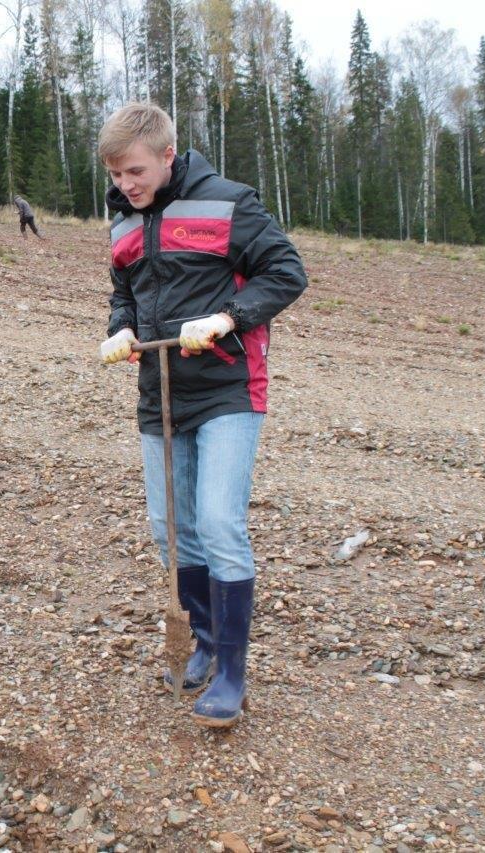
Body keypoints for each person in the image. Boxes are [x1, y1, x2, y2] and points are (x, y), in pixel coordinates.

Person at [96, 102, 306, 729]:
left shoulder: (228, 202)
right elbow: (125, 289)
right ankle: (205, 642)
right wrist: (121, 327)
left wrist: (227, 317)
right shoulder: (121, 221)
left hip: (226, 389)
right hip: (158, 392)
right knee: (171, 529)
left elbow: (286, 273)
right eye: (115, 175)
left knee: (218, 522)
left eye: (134, 172)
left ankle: (233, 673)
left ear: (167, 155)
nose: (125, 185)